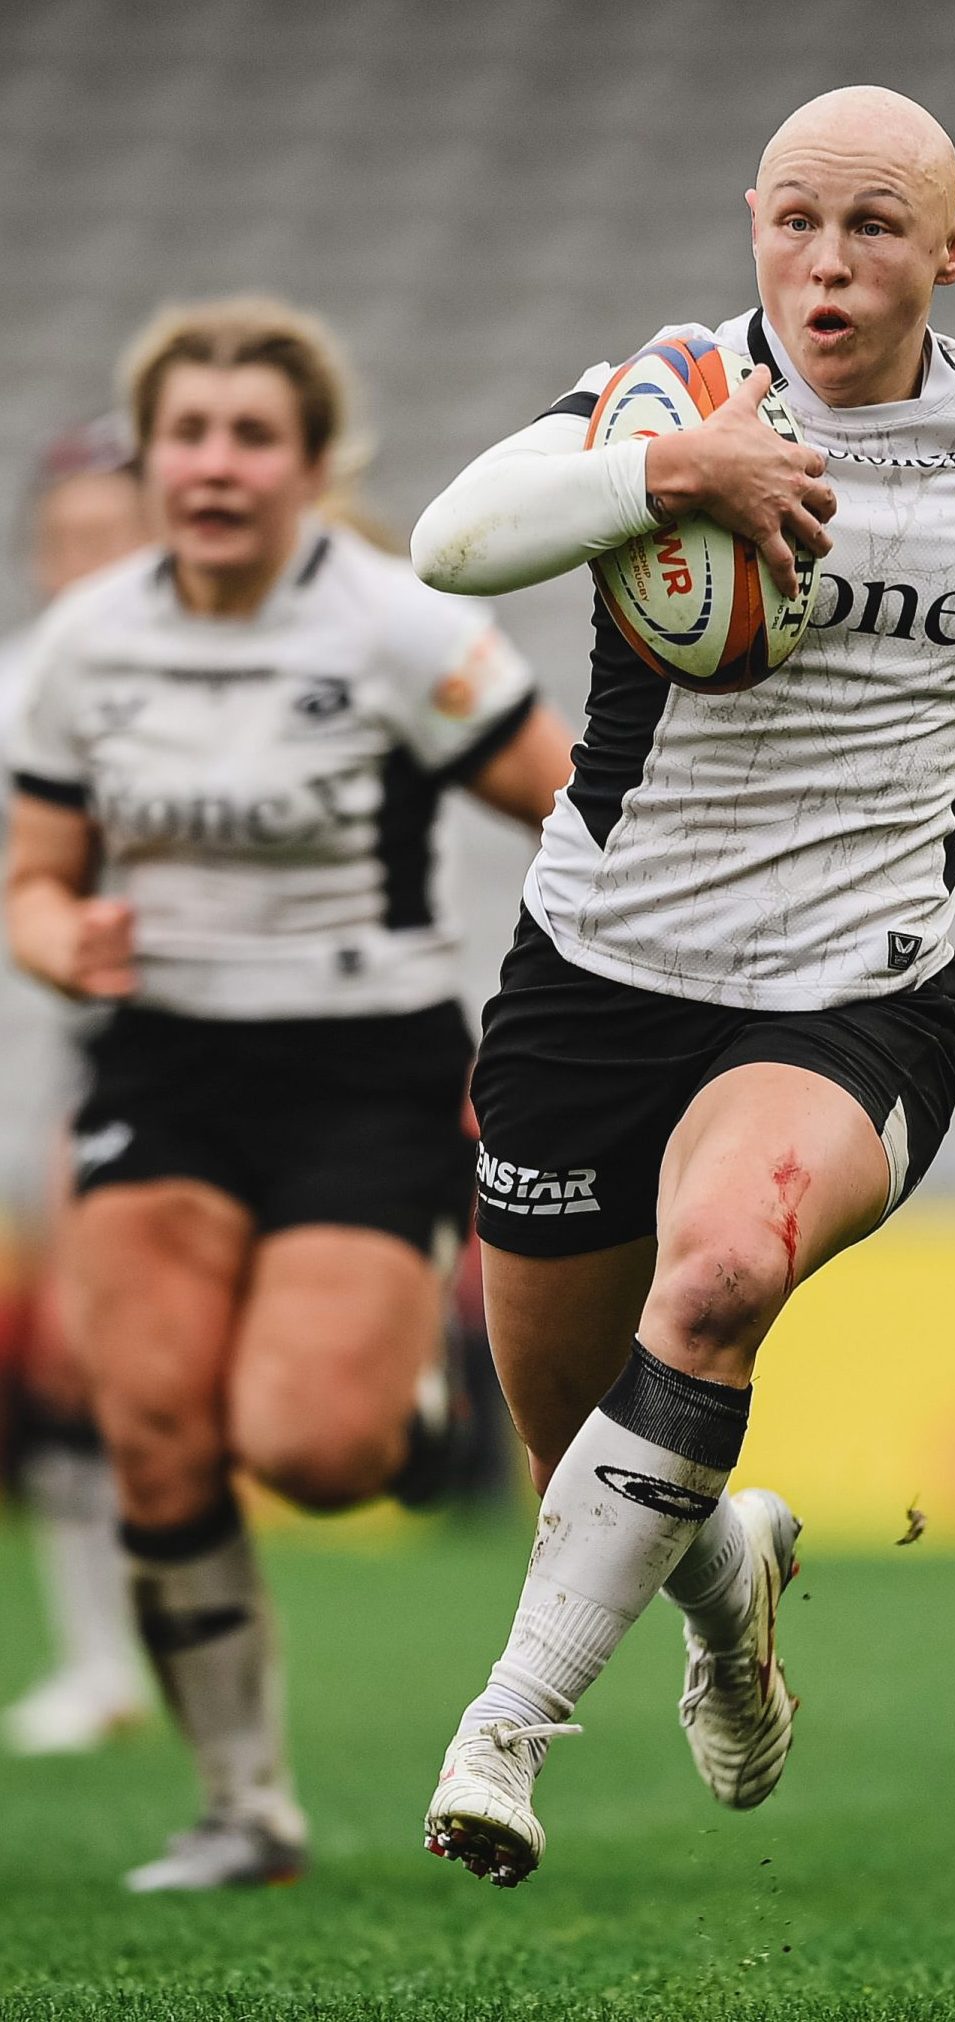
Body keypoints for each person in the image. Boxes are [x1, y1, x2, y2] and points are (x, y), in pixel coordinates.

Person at [410, 85, 955, 1889]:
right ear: (751, 222)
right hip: (595, 976)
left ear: (950, 251)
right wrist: (677, 478)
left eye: (876, 229)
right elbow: (449, 544)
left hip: (850, 985)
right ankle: (726, 1587)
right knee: (582, 1453)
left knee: (729, 1264)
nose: (829, 265)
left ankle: (503, 1731)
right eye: (797, 223)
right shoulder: (665, 397)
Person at [2, 294, 575, 1891]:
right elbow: (34, 876)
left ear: (313, 463)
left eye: (255, 435)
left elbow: (573, 806)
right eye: (190, 432)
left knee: (313, 1452)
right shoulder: (89, 639)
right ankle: (245, 1807)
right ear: (154, 454)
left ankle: (399, 1398)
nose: (217, 462)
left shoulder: (400, 629)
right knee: (158, 1438)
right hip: (163, 1069)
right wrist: (61, 936)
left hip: (360, 1069)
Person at [0, 416, 154, 1756]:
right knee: (68, 1364)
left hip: (261, 1058)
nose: (83, 561)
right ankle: (104, 1662)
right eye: (65, 542)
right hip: (82, 1057)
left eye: (110, 535)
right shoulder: (24, 693)